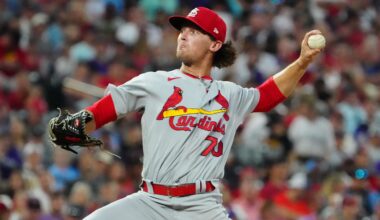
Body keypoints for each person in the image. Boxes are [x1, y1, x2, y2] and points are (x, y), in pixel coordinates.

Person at [48, 7, 323, 220]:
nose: (183, 34)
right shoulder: (155, 82)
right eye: (183, 29)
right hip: (150, 202)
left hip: (202, 207)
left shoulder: (230, 94)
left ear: (214, 44)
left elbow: (267, 96)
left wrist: (302, 62)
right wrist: (76, 125)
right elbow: (106, 109)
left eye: (194, 30)